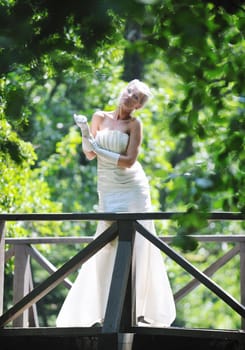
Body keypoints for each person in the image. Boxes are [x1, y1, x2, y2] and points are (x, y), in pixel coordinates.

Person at [56, 79, 176, 327]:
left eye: (136, 97)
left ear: (139, 106)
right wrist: (84, 132)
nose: (129, 96)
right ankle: (102, 310)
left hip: (132, 188)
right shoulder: (100, 116)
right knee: (105, 244)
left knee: (136, 242)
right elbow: (89, 154)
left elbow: (129, 161)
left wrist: (98, 147)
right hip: (108, 188)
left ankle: (136, 310)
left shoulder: (134, 124)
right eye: (129, 91)